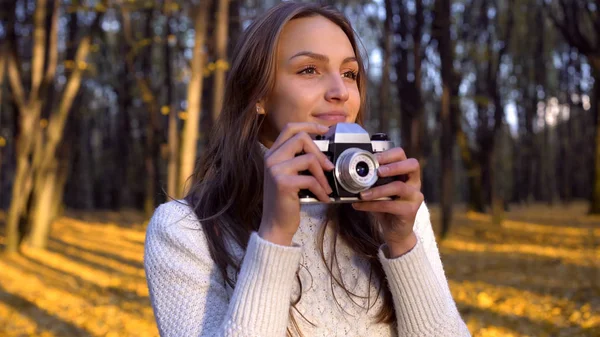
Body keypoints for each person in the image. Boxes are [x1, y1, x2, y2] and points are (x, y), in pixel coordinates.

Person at [144, 2, 470, 336]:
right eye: (309, 70)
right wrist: (274, 236)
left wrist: (402, 244)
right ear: (258, 94)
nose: (340, 92)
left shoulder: (392, 209)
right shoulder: (183, 230)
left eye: (349, 74)